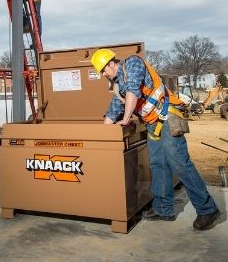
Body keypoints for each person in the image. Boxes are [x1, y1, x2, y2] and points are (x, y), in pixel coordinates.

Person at [90, 49, 220, 231]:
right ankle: (163, 209)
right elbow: (111, 114)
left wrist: (126, 119)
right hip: (153, 125)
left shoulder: (132, 63)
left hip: (168, 118)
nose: (103, 75)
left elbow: (133, 92)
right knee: (158, 165)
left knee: (180, 164)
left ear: (112, 63)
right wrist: (101, 141)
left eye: (103, 70)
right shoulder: (119, 87)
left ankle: (208, 209)